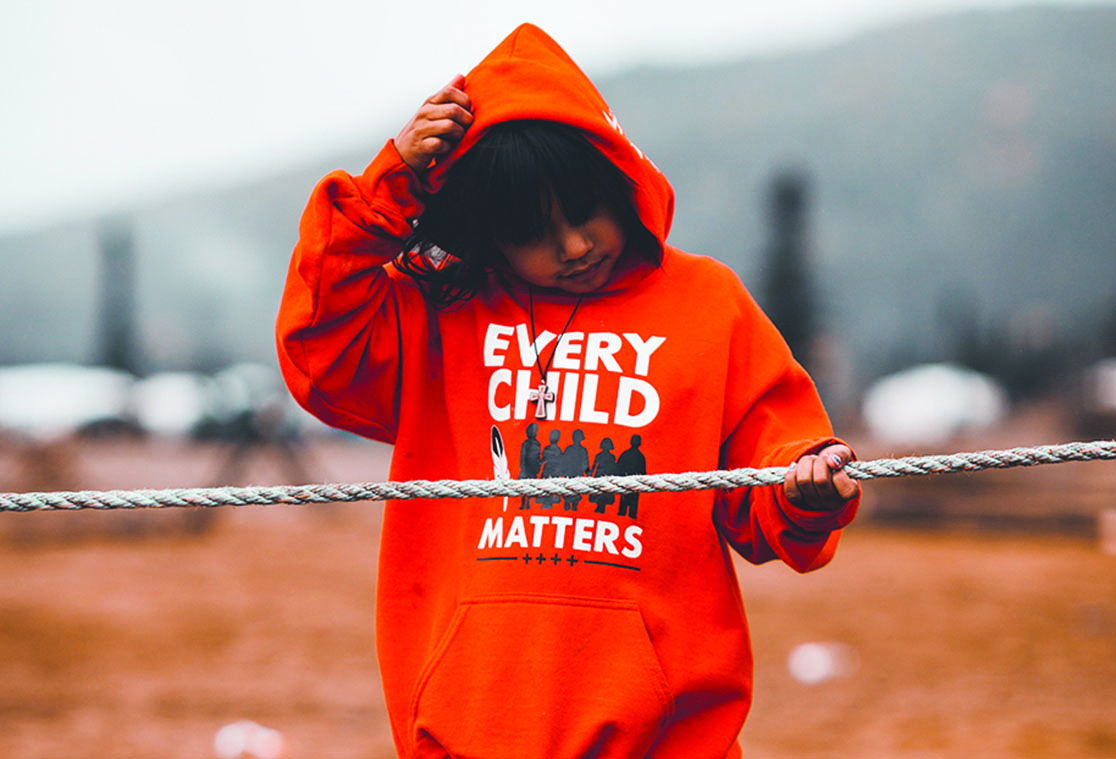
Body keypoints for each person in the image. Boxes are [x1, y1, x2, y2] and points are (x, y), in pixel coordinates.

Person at [276, 23, 860, 759]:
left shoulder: (708, 303)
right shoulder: (444, 311)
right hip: (468, 730)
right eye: (532, 229)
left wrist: (803, 490)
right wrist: (392, 180)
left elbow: (772, 462)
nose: (574, 244)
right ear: (487, 231)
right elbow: (321, 348)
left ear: (619, 177)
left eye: (584, 209)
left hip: (665, 740)